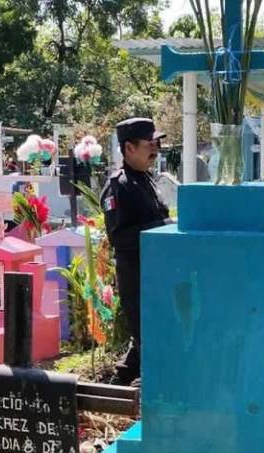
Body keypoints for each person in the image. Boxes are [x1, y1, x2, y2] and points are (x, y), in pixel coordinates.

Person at [101, 117, 171, 386]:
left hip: (155, 272)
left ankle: (116, 388)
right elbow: (119, 237)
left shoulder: (147, 179)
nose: (155, 150)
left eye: (157, 144)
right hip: (136, 275)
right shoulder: (119, 185)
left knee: (147, 335)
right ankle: (147, 394)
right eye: (149, 144)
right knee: (147, 336)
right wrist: (164, 227)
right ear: (129, 148)